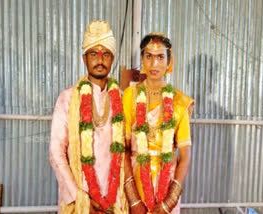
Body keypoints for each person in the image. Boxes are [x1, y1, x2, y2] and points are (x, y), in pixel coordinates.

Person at [50, 20, 128, 214]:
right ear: (84, 58)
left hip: (116, 202)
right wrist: (79, 197)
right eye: (94, 53)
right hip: (79, 200)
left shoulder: (124, 100)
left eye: (106, 54)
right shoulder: (67, 99)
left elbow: (130, 151)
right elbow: (56, 152)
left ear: (112, 59)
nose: (100, 60)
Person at [123, 33, 194, 214]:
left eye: (160, 57)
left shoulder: (179, 101)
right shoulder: (130, 95)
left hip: (168, 182)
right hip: (135, 181)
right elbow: (122, 148)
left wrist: (169, 202)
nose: (154, 64)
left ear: (169, 61)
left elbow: (185, 156)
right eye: (149, 56)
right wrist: (133, 199)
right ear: (142, 59)